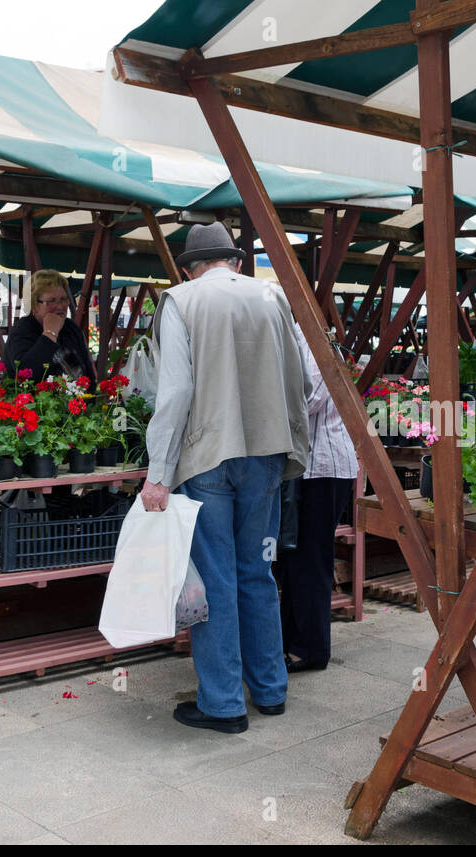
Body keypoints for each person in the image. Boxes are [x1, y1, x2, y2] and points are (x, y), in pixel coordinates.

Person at [140, 222, 310, 735]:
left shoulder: (181, 302)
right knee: (258, 573)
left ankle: (222, 704)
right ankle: (271, 691)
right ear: (234, 261)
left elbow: (173, 393)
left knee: (215, 580)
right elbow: (300, 379)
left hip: (207, 456)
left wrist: (158, 474)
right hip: (264, 454)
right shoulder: (272, 297)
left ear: (190, 268)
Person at [277, 328, 358, 673]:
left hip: (322, 467)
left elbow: (306, 401)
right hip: (308, 468)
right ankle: (291, 641)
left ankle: (311, 649)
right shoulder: (297, 340)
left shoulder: (310, 344)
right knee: (293, 559)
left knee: (310, 559)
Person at [3, 269, 96, 384]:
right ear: (34, 305)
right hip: (32, 400)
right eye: (51, 301)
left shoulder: (71, 328)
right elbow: (26, 375)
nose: (60, 306)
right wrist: (49, 334)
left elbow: (88, 375)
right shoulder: (22, 330)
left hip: (75, 399)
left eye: (63, 299)